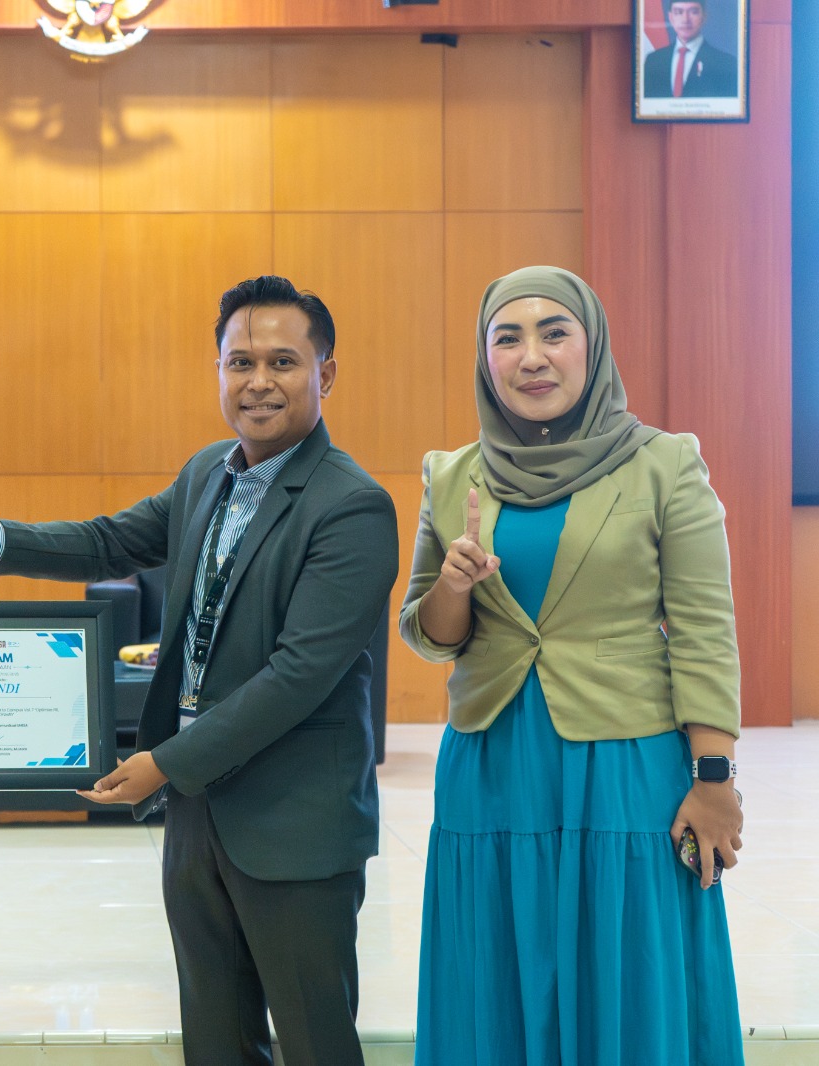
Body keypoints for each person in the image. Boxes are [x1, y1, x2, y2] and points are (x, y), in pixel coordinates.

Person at [0, 276, 398, 1065]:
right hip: (198, 816)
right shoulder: (208, 473)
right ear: (218, 370)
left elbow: (297, 676)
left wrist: (166, 764)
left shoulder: (352, 505)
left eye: (283, 362)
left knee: (316, 1044)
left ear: (325, 373)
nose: (258, 381)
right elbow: (108, 541)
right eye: (239, 361)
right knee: (215, 1041)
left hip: (294, 823)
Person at [399, 266, 744, 1065]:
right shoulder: (451, 474)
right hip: (493, 760)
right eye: (507, 338)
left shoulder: (664, 463)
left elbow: (704, 629)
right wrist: (454, 584)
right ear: (485, 357)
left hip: (624, 761)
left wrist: (714, 779)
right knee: (496, 966)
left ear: (592, 346)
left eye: (555, 333)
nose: (532, 356)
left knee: (625, 966)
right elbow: (428, 634)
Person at [643, 0, 737, 98]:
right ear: (670, 17)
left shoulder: (725, 63)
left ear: (704, 16)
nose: (685, 20)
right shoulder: (653, 60)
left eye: (693, 12)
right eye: (679, 12)